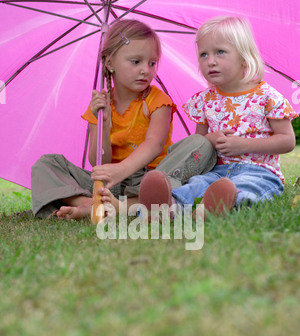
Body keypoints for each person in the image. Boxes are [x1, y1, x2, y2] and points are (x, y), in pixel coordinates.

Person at [31, 19, 216, 220]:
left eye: (152, 63)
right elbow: (99, 161)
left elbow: (154, 144)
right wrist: (102, 124)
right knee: (46, 164)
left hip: (148, 179)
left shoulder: (157, 101)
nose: (146, 70)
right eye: (136, 62)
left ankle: (121, 205)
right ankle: (87, 202)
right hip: (109, 181)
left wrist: (122, 170)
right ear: (110, 63)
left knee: (201, 144)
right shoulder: (100, 106)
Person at [138, 16, 298, 217]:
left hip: (259, 171)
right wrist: (209, 141)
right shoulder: (205, 100)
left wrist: (244, 145)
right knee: (197, 184)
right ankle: (167, 206)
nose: (210, 61)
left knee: (247, 188)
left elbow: (287, 141)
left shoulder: (267, 97)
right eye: (203, 55)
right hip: (216, 171)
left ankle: (216, 206)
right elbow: (200, 145)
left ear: (243, 57)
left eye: (220, 52)